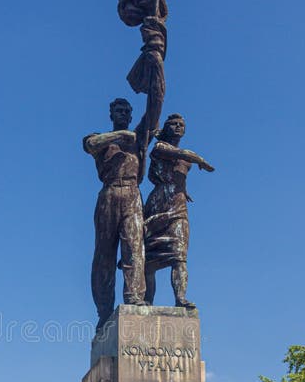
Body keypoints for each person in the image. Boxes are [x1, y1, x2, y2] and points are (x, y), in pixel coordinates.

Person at [84, 20, 165, 330]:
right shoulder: (101, 139)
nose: (123, 116)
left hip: (132, 194)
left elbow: (156, 101)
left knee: (135, 247)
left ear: (131, 116)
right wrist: (119, 137)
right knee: (104, 255)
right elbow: (90, 144)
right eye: (118, 112)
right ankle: (104, 312)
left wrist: (155, 58)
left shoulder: (139, 135)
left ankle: (133, 299)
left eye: (126, 113)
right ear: (111, 115)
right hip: (108, 196)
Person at [143, 114, 214, 308]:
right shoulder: (160, 148)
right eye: (173, 124)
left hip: (179, 204)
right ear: (165, 129)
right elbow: (182, 155)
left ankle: (180, 298)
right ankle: (147, 300)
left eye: (181, 125)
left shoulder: (185, 159)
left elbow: (178, 175)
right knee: (149, 259)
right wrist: (201, 160)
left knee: (179, 255)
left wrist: (184, 190)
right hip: (159, 204)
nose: (177, 127)